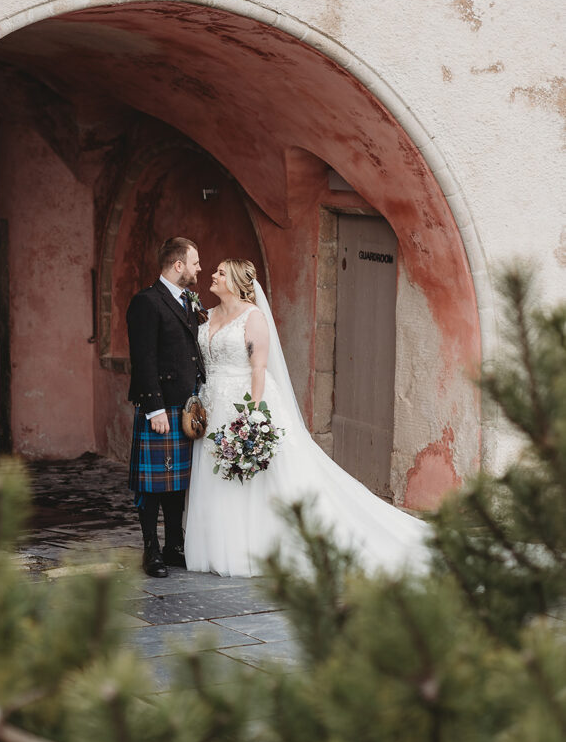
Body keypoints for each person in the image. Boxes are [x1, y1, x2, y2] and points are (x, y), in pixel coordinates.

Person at [184, 258, 431, 577]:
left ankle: (255, 548)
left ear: (234, 281)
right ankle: (217, 545)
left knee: (253, 479)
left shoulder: (253, 317)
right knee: (215, 473)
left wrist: (253, 415)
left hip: (242, 402)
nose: (212, 276)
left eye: (220, 273)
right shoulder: (208, 314)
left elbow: (258, 367)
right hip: (211, 404)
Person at [127, 237, 206, 577]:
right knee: (152, 485)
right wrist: (154, 408)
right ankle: (151, 550)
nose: (199, 269)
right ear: (178, 266)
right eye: (195, 262)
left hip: (186, 405)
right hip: (161, 406)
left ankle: (174, 545)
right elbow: (143, 359)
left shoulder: (187, 300)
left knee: (178, 483)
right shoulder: (147, 302)